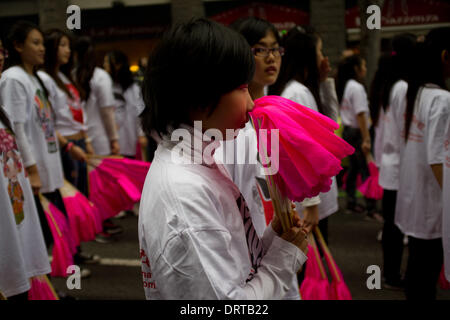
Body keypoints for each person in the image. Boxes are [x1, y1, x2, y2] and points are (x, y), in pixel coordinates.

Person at [138, 18, 308, 299]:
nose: (252, 103)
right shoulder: (185, 194)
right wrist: (283, 260)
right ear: (199, 94)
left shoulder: (202, 161)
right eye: (242, 88)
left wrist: (272, 240)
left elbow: (235, 260)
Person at [214, 16, 301, 300]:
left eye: (275, 49)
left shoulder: (277, 116)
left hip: (278, 243)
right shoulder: (231, 131)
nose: (270, 57)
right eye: (259, 50)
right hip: (250, 268)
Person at [0, 20, 91, 280]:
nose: (42, 49)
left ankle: (48, 285)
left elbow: (45, 125)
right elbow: (15, 128)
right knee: (38, 235)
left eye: (42, 43)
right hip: (33, 173)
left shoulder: (34, 77)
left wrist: (67, 146)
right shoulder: (14, 79)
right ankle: (42, 287)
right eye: (35, 43)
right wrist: (31, 169)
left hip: (48, 168)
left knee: (48, 234)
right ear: (17, 46)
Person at [270, 25, 340, 244]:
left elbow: (330, 123)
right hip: (311, 200)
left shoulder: (300, 89)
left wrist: (325, 82)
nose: (323, 57)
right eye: (319, 51)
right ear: (307, 56)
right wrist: (311, 203)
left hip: (314, 197)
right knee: (312, 264)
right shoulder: (297, 93)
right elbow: (301, 150)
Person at [393, 27, 450, 300]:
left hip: (415, 199)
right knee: (426, 274)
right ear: (444, 57)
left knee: (418, 271)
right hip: (432, 202)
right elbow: (438, 158)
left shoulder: (416, 92)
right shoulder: (441, 99)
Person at [39, 28, 100, 265]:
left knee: (78, 198)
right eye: (62, 45)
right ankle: (68, 257)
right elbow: (50, 120)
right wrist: (68, 145)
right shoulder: (45, 79)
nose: (67, 50)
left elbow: (77, 114)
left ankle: (75, 250)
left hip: (77, 142)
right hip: (66, 145)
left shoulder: (65, 77)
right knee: (67, 202)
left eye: (68, 45)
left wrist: (87, 141)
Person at [0, 36, 51, 301]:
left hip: (13, 205)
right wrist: (33, 170)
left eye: (0, 50)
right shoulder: (13, 80)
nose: (0, 57)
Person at [368, 33, 417, 290]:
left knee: (392, 223)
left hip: (389, 164)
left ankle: (389, 273)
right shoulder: (403, 87)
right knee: (399, 224)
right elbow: (404, 132)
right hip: (400, 166)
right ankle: (392, 274)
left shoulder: (388, 85)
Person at [73, 36, 123, 241]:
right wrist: (114, 138)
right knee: (100, 184)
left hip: (82, 136)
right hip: (100, 136)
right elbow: (107, 111)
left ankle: (99, 221)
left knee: (88, 184)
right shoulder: (100, 76)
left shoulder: (71, 75)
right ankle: (99, 223)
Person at [336, 54, 379, 219]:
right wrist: (366, 137)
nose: (365, 69)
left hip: (348, 131)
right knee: (366, 168)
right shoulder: (357, 87)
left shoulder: (346, 85)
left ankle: (352, 202)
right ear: (356, 68)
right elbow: (361, 114)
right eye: (363, 65)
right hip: (358, 131)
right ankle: (371, 208)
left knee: (353, 168)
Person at [103, 50, 147, 159]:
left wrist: (141, 134)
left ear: (118, 65)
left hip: (129, 138)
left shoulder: (133, 88)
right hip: (110, 139)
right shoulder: (106, 85)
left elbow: (139, 112)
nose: (104, 65)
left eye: (107, 62)